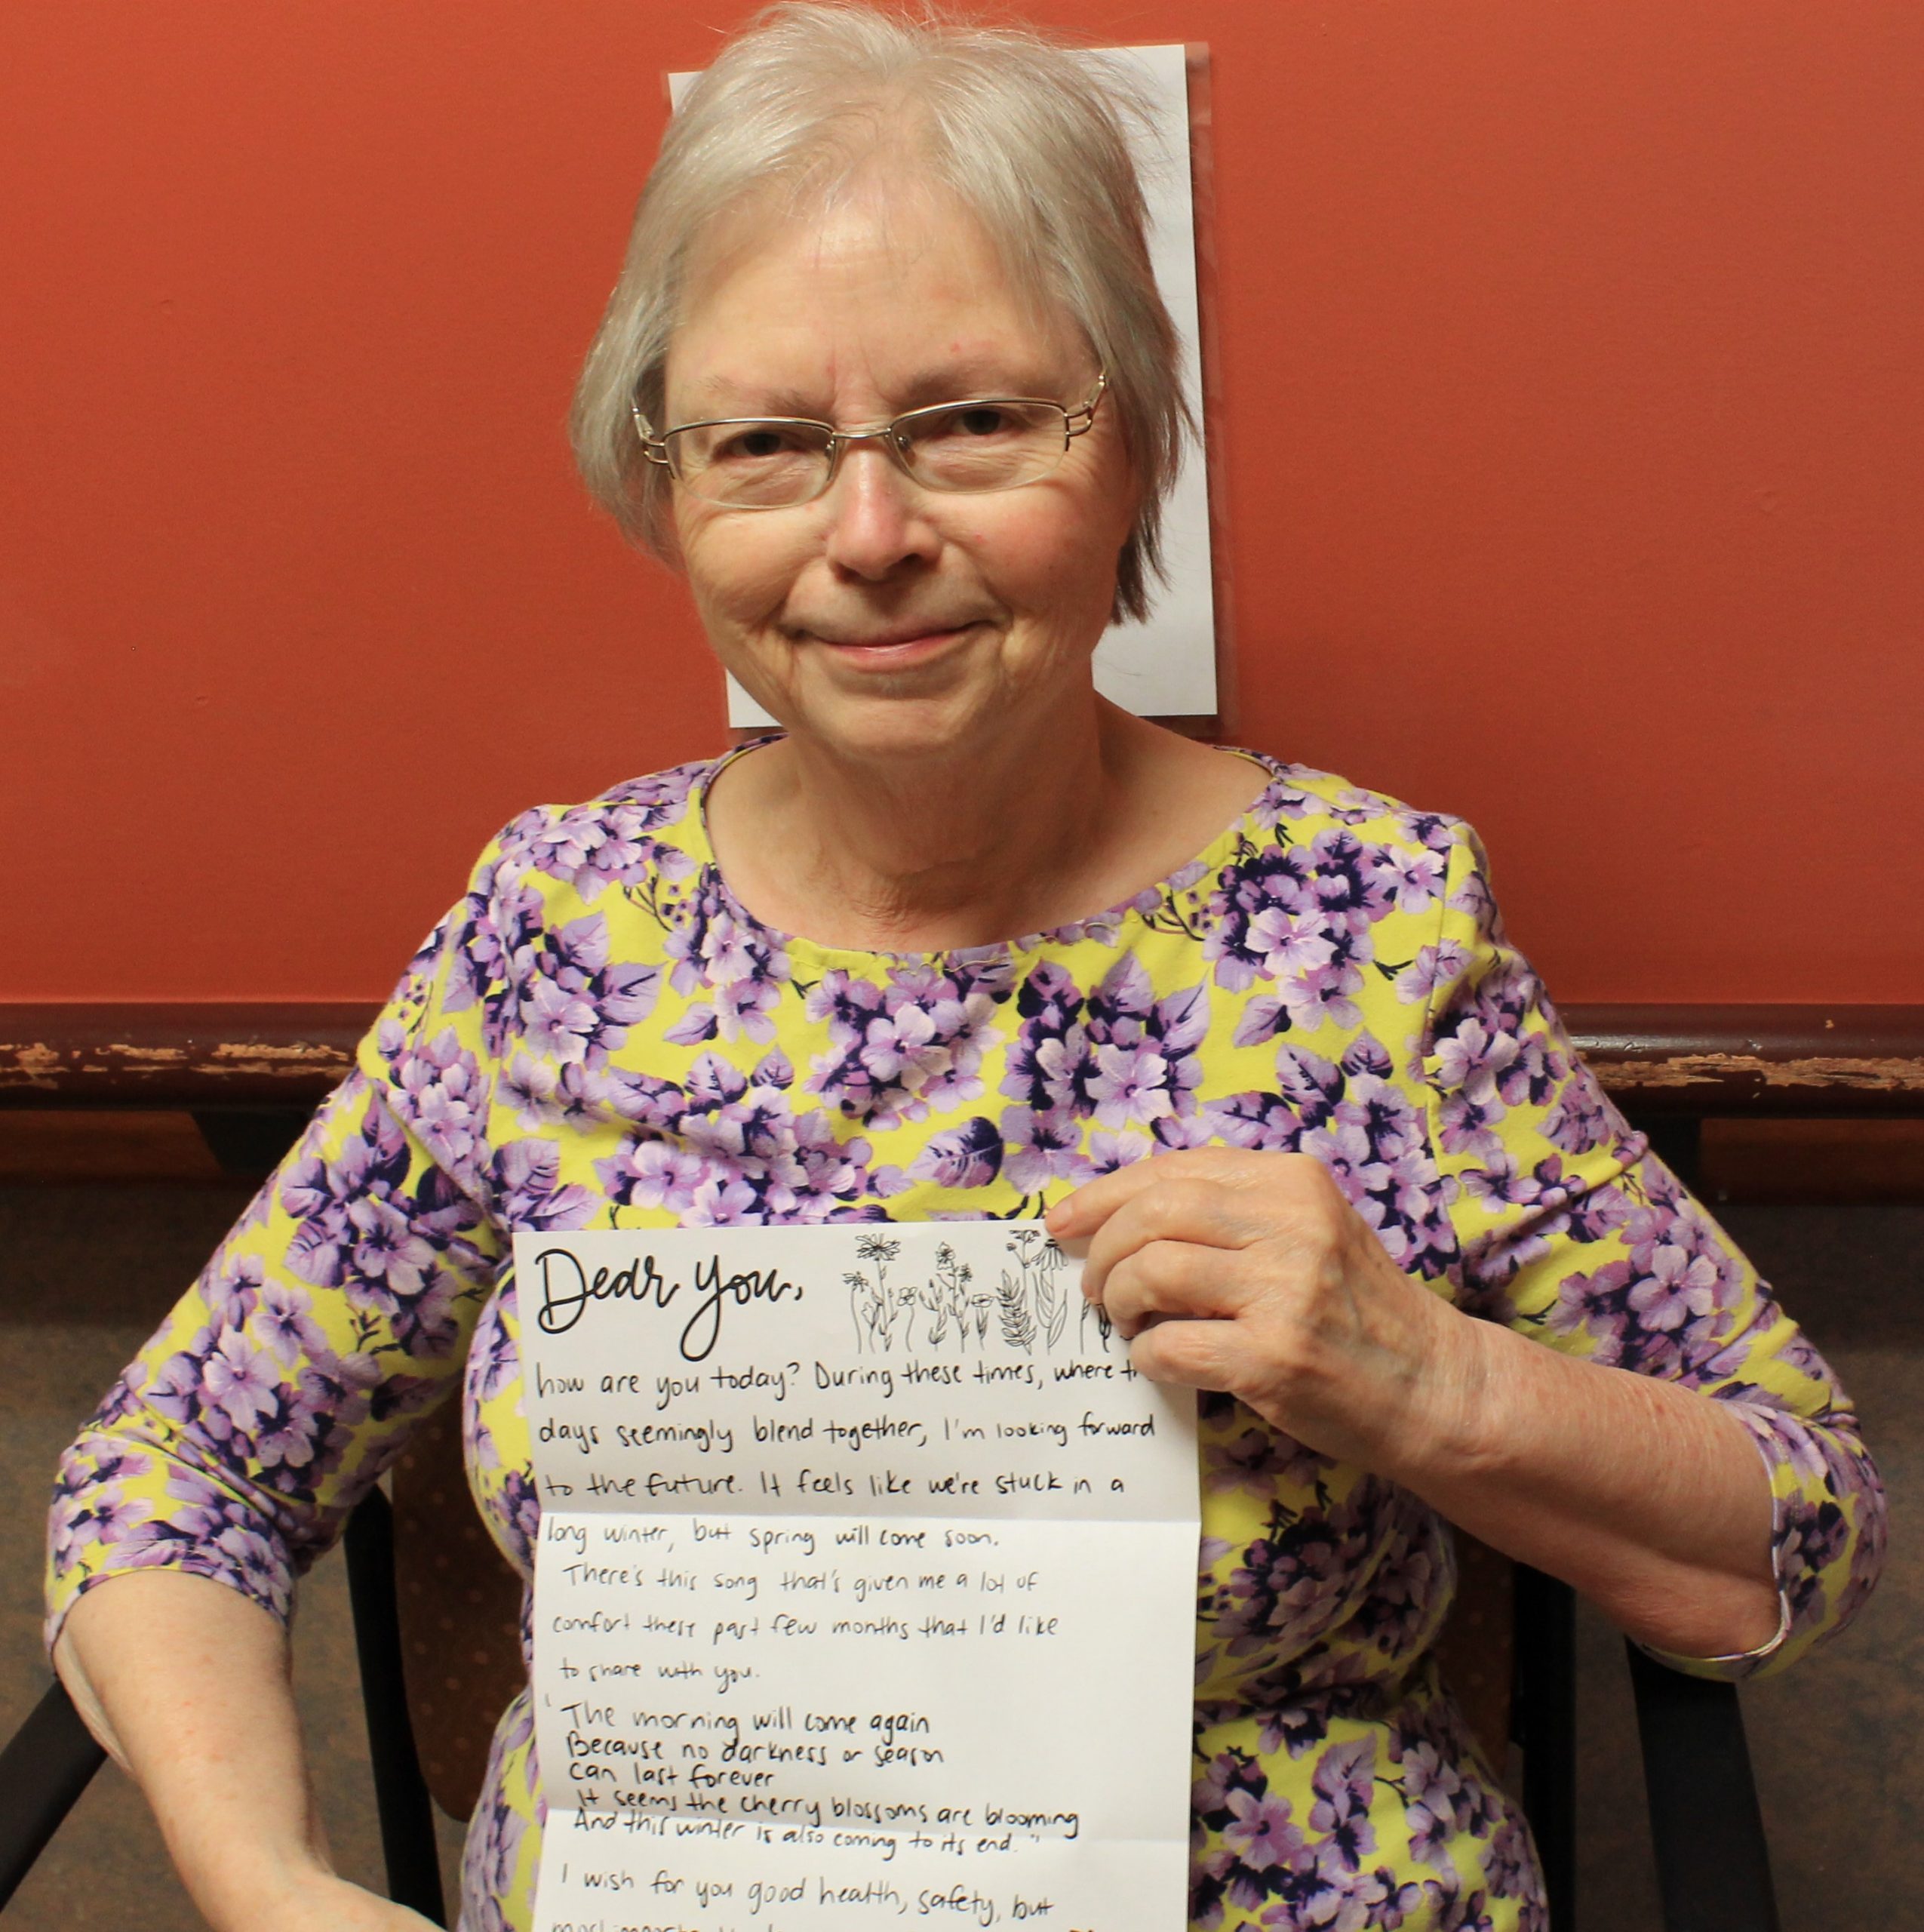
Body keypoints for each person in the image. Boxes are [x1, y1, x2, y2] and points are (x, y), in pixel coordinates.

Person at [46, 6, 1884, 1930]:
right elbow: (177, 1471)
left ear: (1131, 445)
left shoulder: (1371, 919)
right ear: (662, 484)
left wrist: (1422, 1375)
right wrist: (263, 1877)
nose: (870, 533)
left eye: (974, 421)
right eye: (764, 442)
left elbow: (1797, 1522)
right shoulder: (551, 931)